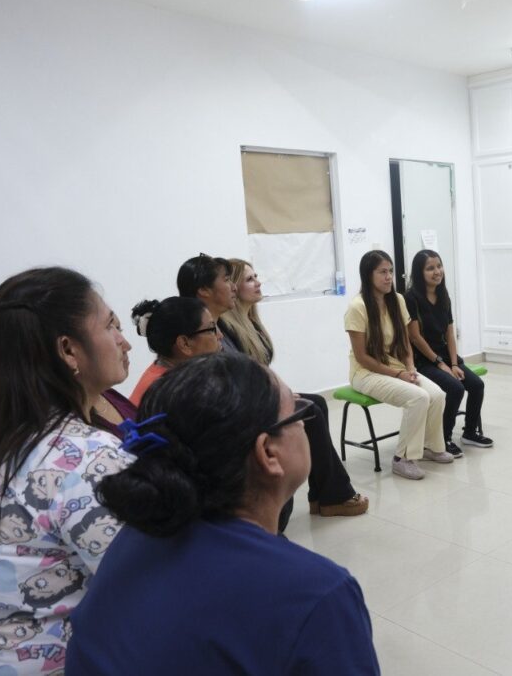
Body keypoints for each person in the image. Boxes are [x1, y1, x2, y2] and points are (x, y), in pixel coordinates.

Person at [65, 354, 380, 675]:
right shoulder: (316, 592)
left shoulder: (132, 539)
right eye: (297, 413)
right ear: (268, 453)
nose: (304, 421)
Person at [0, 267, 134, 674]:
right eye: (111, 325)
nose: (124, 341)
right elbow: (152, 587)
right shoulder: (85, 457)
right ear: (68, 350)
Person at [221, 259, 367, 518]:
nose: (258, 282)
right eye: (249, 279)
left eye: (257, 276)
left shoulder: (251, 321)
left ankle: (324, 494)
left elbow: (262, 371)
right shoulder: (226, 329)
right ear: (233, 287)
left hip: (262, 394)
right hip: (250, 404)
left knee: (316, 405)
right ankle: (332, 495)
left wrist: (283, 391)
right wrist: (280, 396)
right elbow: (245, 379)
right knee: (312, 410)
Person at [345, 250, 451, 480]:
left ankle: (429, 446)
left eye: (391, 271)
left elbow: (404, 341)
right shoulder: (357, 307)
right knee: (419, 397)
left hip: (396, 366)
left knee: (437, 394)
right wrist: (398, 374)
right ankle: (402, 458)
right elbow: (362, 357)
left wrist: (410, 367)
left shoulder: (397, 300)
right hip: (365, 373)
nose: (388, 277)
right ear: (368, 275)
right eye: (382, 272)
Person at [406, 249, 493, 457]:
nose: (437, 272)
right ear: (420, 273)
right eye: (430, 268)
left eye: (439, 266)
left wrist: (453, 364)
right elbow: (415, 338)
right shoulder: (411, 298)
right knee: (455, 389)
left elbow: (450, 332)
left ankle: (470, 432)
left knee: (476, 385)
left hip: (445, 357)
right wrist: (440, 364)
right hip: (424, 361)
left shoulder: (443, 294)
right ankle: (442, 439)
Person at [128, 297, 223, 405]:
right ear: (184, 344)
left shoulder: (169, 377)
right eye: (211, 330)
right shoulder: (175, 392)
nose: (220, 336)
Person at [176, 254, 239, 351]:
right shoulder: (198, 339)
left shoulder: (226, 328)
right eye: (226, 280)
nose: (234, 287)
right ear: (204, 289)